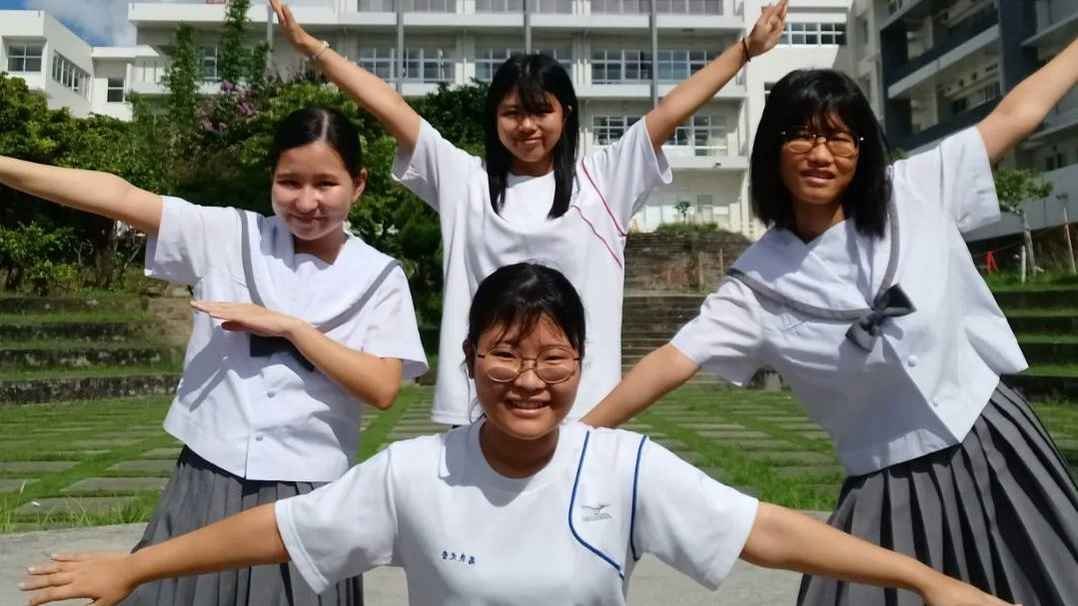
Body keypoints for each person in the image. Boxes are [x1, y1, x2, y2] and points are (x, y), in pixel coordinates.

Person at [19, 262, 1015, 606]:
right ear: (469, 362)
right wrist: (132, 568)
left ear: (580, 367)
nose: (528, 379)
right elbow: (278, 532)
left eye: (552, 358)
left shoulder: (622, 466)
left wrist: (925, 581)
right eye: (504, 354)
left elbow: (769, 531)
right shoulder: (414, 472)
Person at [581, 40, 1078, 606]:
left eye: (840, 137)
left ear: (861, 150)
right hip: (889, 483)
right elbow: (672, 361)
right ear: (773, 150)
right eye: (802, 135)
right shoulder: (757, 285)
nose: (821, 153)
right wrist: (577, 436)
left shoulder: (913, 191)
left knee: (1044, 581)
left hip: (996, 441)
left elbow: (1017, 116)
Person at [266, 0, 789, 426]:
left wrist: (745, 50)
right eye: (512, 112)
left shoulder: (603, 180)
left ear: (566, 114)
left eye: (542, 111)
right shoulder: (465, 182)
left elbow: (671, 110)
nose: (527, 126)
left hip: (582, 410)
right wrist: (316, 51)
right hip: (477, 408)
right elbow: (393, 109)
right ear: (494, 118)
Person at [0, 106, 428, 605]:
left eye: (326, 184)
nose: (306, 201)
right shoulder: (228, 234)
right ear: (271, 178)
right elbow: (119, 196)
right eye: (290, 182)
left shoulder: (379, 275)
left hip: (308, 490)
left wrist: (292, 329)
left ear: (358, 185)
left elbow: (381, 387)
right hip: (207, 475)